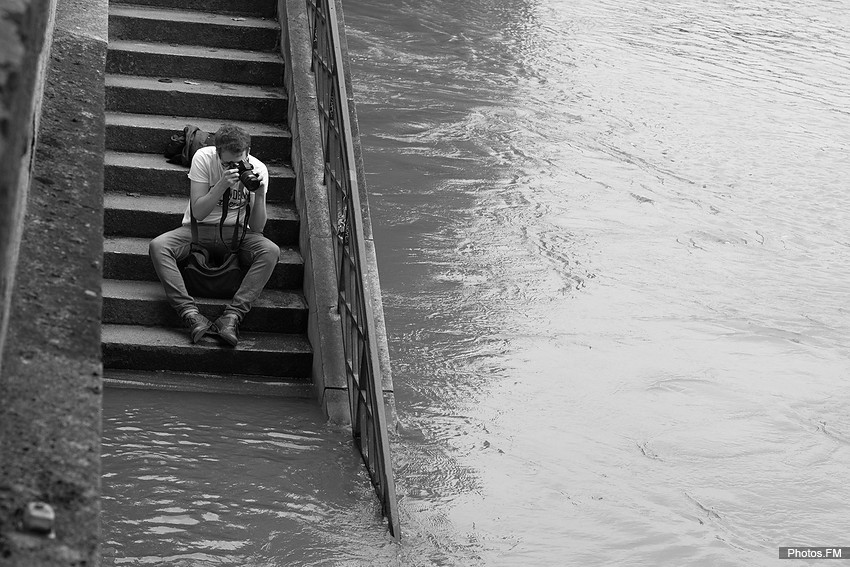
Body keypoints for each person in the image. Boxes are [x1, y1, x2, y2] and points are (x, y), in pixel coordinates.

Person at [149, 124, 280, 347]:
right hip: (198, 231)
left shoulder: (258, 169)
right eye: (227, 163)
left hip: (237, 236)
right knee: (158, 246)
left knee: (271, 251)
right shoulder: (203, 158)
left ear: (247, 152)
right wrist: (220, 185)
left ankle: (231, 317)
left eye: (238, 162)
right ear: (216, 152)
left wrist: (260, 195)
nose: (234, 167)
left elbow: (257, 228)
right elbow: (198, 212)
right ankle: (190, 314)